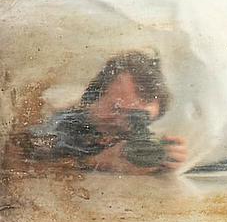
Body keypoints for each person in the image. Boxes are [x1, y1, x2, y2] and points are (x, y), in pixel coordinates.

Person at [21, 52, 188, 174]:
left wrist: (166, 160)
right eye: (116, 109)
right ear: (93, 98)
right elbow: (15, 163)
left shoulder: (135, 138)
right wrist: (94, 162)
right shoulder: (62, 124)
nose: (122, 123)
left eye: (141, 120)